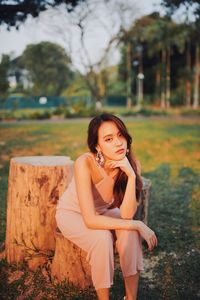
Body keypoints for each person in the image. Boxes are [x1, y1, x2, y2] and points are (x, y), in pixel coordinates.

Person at [55, 113, 158, 300]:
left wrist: (132, 176)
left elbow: (126, 215)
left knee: (130, 232)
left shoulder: (132, 164)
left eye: (120, 135)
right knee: (102, 238)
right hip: (73, 214)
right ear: (97, 146)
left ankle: (130, 298)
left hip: (104, 211)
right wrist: (138, 224)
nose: (118, 143)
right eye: (109, 139)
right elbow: (90, 219)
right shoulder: (85, 162)